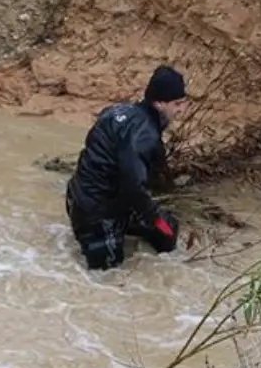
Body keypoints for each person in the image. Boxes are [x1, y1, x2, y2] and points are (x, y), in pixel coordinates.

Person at [65, 64, 189, 270]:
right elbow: (134, 187)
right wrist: (157, 219)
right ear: (159, 103)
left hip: (77, 197)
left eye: (183, 103)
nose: (181, 110)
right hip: (96, 215)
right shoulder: (145, 135)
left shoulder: (117, 112)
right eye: (177, 104)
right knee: (108, 277)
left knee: (168, 232)